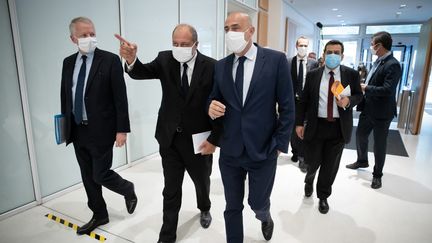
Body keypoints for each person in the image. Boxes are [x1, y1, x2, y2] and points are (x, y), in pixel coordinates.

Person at [115, 24, 222, 243]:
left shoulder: (211, 66)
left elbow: (219, 105)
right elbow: (141, 72)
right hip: (169, 138)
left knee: (202, 182)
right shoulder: (165, 60)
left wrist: (214, 139)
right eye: (175, 44)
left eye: (184, 45)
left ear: (196, 45)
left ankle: (204, 207)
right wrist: (132, 60)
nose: (179, 48)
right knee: (171, 188)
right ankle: (167, 235)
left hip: (199, 141)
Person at [208, 12, 295, 243]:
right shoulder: (221, 66)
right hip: (230, 150)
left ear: (250, 31)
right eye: (226, 29)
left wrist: (279, 144)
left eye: (235, 27)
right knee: (232, 206)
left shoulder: (276, 61)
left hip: (264, 149)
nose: (230, 33)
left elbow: (287, 106)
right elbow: (213, 98)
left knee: (256, 202)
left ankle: (264, 216)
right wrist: (211, 107)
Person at [60, 17, 137, 235]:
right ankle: (99, 214)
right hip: (77, 128)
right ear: (73, 38)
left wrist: (122, 129)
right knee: (87, 176)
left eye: (92, 34)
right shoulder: (67, 62)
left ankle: (127, 189)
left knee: (100, 174)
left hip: (102, 129)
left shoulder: (109, 60)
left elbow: (120, 98)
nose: (89, 38)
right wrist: (64, 125)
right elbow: (66, 96)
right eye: (84, 35)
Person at [295, 40, 363, 214]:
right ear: (324, 55)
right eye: (329, 52)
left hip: (338, 127)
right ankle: (309, 180)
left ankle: (323, 196)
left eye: (336, 52)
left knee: (330, 166)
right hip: (316, 126)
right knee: (313, 162)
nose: (333, 55)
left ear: (342, 55)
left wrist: (349, 101)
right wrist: (298, 123)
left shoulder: (351, 75)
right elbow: (303, 101)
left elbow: (358, 95)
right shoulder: (313, 75)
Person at [346, 31, 402, 189]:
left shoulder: (393, 64)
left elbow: (387, 90)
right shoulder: (378, 61)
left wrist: (366, 87)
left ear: (380, 46)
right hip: (368, 108)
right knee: (360, 135)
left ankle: (377, 175)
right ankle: (362, 160)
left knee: (379, 144)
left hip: (383, 112)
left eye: (373, 44)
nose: (371, 47)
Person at [287, 36, 319, 172]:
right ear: (296, 46)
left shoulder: (313, 63)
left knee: (304, 127)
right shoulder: (288, 62)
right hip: (292, 100)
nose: (303, 48)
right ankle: (295, 151)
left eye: (305, 45)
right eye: (301, 45)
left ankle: (302, 157)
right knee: (293, 129)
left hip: (307, 101)